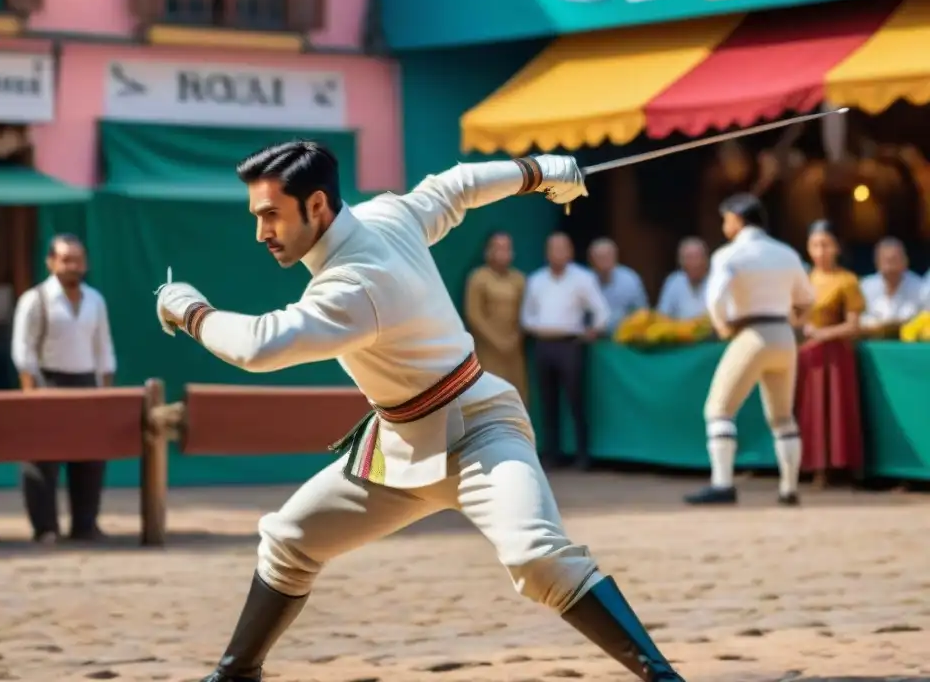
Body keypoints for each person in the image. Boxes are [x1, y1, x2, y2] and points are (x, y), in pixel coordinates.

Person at [154, 143, 686, 682]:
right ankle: (237, 673)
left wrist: (189, 309)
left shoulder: (353, 284)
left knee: (537, 558)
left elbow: (259, 346)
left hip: (481, 430)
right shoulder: (386, 214)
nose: (261, 232)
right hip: (398, 444)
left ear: (315, 206)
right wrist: (537, 171)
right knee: (289, 540)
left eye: (271, 215)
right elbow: (455, 185)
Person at [684, 194, 814, 507]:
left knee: (719, 409)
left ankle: (723, 484)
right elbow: (807, 299)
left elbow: (715, 298)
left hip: (752, 333)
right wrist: (792, 322)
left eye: (727, 218)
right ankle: (789, 488)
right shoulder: (786, 253)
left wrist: (723, 325)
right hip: (783, 334)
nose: (724, 224)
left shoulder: (729, 255)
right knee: (783, 417)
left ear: (739, 219)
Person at [11, 234, 117, 544]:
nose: (73, 266)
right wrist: (31, 392)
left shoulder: (95, 299)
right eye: (66, 259)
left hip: (87, 383)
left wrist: (104, 392)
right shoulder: (35, 299)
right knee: (42, 459)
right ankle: (45, 528)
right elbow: (23, 350)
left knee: (91, 458)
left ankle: (86, 524)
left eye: (78, 260)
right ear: (51, 262)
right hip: (49, 382)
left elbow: (104, 349)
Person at [521, 232, 609, 469]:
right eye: (553, 249)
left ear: (570, 252)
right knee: (548, 403)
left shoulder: (583, 278)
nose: (558, 254)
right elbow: (526, 316)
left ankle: (582, 455)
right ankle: (552, 454)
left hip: (571, 344)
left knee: (575, 400)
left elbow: (602, 311)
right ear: (546, 253)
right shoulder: (536, 280)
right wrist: (538, 328)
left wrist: (593, 331)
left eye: (562, 249)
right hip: (542, 344)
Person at [795, 220, 865, 485]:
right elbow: (795, 316)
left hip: (836, 356)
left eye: (826, 245)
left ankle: (840, 466)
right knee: (811, 409)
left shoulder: (846, 280)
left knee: (835, 408)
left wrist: (824, 333)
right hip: (808, 356)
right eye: (815, 245)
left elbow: (854, 325)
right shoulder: (803, 281)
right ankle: (812, 464)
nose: (820, 251)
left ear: (837, 247)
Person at [463, 231, 528, 403]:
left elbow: (526, 314)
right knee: (489, 399)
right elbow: (473, 315)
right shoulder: (478, 278)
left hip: (514, 352)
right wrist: (497, 341)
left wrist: (515, 338)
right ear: (488, 251)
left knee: (515, 398)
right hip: (487, 350)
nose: (503, 253)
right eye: (498, 248)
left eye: (507, 248)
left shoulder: (519, 279)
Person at [859, 237, 923, 336]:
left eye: (894, 259)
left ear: (905, 261)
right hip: (873, 344)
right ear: (877, 262)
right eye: (885, 260)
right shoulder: (865, 286)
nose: (889, 265)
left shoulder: (920, 288)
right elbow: (859, 320)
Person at [587, 239, 648, 334]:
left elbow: (642, 312)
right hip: (594, 339)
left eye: (608, 255)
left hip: (625, 337)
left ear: (616, 257)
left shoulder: (630, 279)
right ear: (591, 260)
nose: (605, 260)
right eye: (600, 257)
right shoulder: (584, 281)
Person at [656, 238, 709, 320]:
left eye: (698, 257)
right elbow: (662, 315)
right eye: (689, 258)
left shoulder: (716, 280)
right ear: (681, 262)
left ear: (706, 260)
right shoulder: (673, 281)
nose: (694, 263)